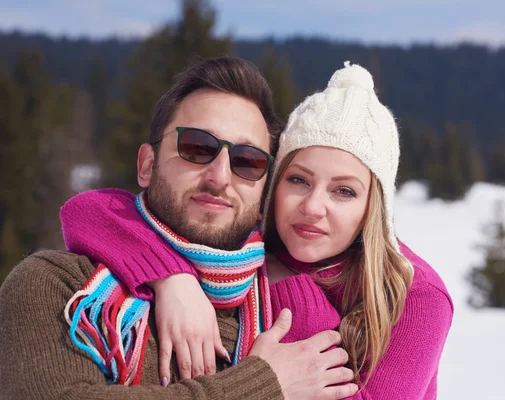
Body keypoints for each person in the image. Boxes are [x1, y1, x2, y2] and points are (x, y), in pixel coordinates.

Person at [61, 62, 454, 399]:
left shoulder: (412, 294)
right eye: (299, 180)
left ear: (374, 208)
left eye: (344, 191)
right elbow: (90, 210)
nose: (313, 207)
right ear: (272, 184)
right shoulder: (245, 241)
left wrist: (289, 293)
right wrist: (170, 277)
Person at [0, 57, 360, 400]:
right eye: (197, 147)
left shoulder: (294, 311)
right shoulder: (62, 287)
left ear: (265, 189)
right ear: (147, 165)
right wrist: (262, 386)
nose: (220, 177)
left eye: (247, 161)